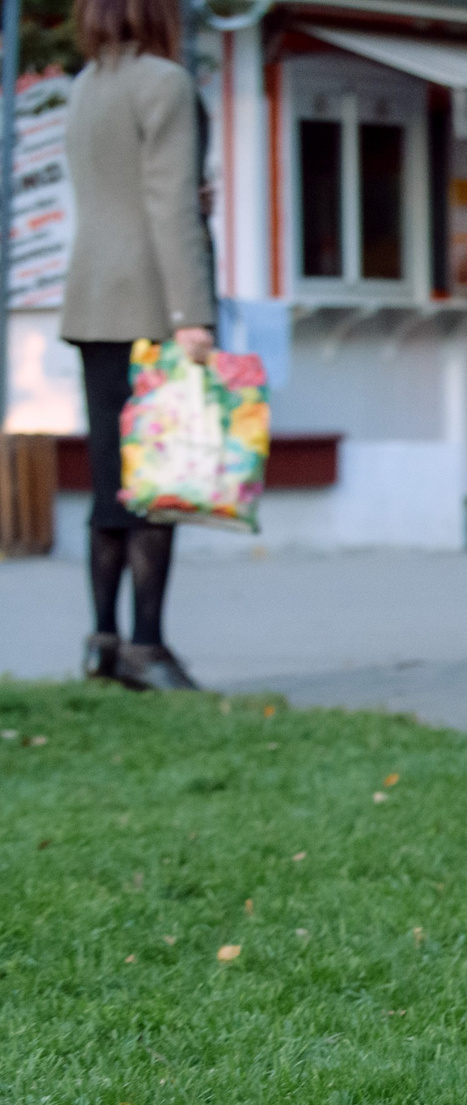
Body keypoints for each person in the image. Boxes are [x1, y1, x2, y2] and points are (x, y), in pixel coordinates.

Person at [63, 0, 216, 692]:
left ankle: (103, 640)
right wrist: (193, 313)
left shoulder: (86, 84)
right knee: (159, 482)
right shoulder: (165, 82)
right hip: (153, 301)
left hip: (93, 295)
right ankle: (148, 647)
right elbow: (169, 203)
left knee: (108, 476)